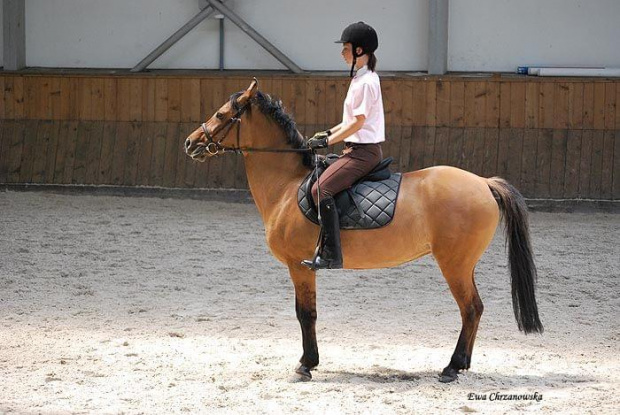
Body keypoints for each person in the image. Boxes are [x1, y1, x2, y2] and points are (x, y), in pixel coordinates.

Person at [302, 22, 386, 271]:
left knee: (321, 191)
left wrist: (329, 142)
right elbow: (348, 122)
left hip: (363, 153)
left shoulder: (367, 82)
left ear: (360, 51)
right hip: (355, 149)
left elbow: (358, 123)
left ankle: (331, 254)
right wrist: (326, 133)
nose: (342, 53)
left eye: (346, 48)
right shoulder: (360, 79)